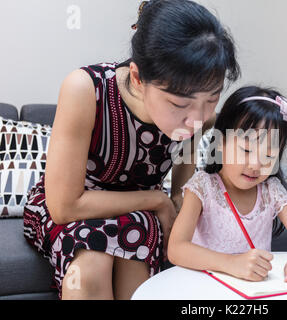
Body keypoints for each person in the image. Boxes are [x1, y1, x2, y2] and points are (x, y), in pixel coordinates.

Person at [23, 0, 240, 300]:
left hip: (137, 213)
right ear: (138, 79)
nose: (196, 119)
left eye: (212, 99)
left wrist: (177, 202)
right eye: (179, 104)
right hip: (74, 208)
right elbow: (64, 206)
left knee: (133, 249)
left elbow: (181, 187)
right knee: (89, 266)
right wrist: (156, 200)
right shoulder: (86, 90)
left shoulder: (201, 118)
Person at [168, 86, 287, 295]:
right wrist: (231, 263)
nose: (255, 165)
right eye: (247, 150)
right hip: (204, 291)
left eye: (268, 156)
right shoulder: (202, 187)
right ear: (221, 143)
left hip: (254, 291)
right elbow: (176, 249)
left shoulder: (271, 191)